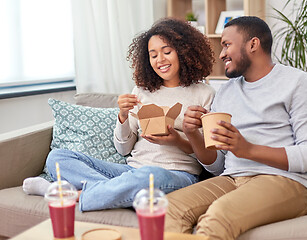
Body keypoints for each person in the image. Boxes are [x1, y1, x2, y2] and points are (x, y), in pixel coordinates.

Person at [22, 17, 216, 212]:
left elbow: (211, 160)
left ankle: (76, 194)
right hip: (130, 170)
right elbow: (123, 150)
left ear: (184, 52)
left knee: (150, 176)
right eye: (153, 55)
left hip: (176, 175)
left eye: (167, 52)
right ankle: (120, 192)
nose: (160, 60)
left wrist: (176, 140)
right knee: (57, 157)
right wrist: (123, 115)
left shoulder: (204, 94)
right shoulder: (142, 91)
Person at [164, 16, 307, 240]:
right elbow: (217, 165)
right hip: (233, 178)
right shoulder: (226, 92)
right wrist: (193, 134)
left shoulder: (298, 83)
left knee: (217, 217)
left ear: (253, 44)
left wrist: (248, 150)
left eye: (226, 45)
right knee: (168, 208)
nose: (221, 54)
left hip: (286, 181)